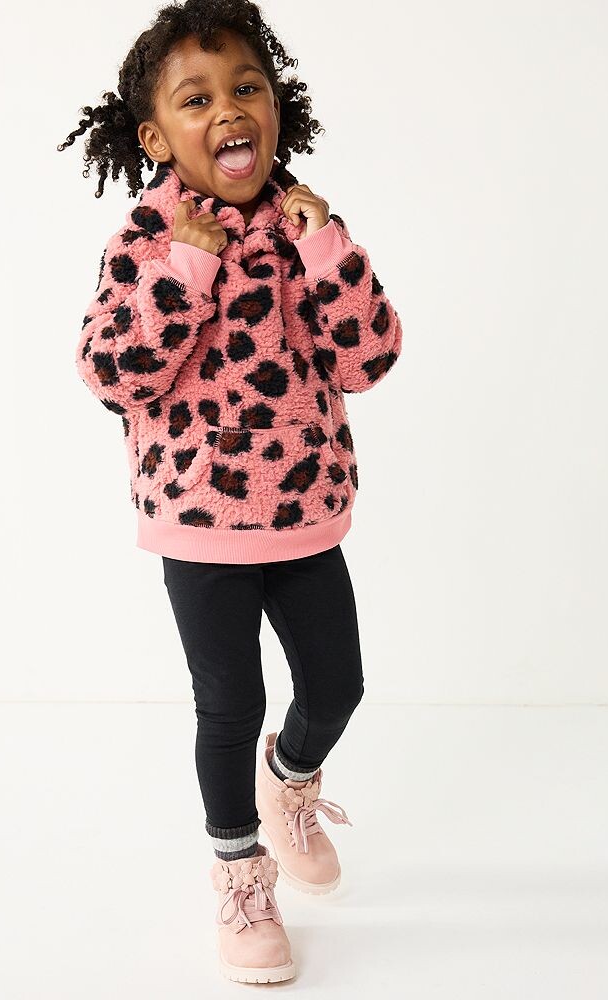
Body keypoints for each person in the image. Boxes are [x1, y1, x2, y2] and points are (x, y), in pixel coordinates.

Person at [59, 0, 403, 983]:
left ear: (277, 106)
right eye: (196, 98)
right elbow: (112, 372)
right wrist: (187, 265)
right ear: (155, 137)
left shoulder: (306, 228)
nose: (227, 109)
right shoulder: (145, 238)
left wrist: (328, 248)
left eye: (245, 87)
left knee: (337, 685)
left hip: (304, 512)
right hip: (198, 520)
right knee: (229, 703)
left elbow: (370, 359)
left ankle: (287, 783)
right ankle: (241, 873)